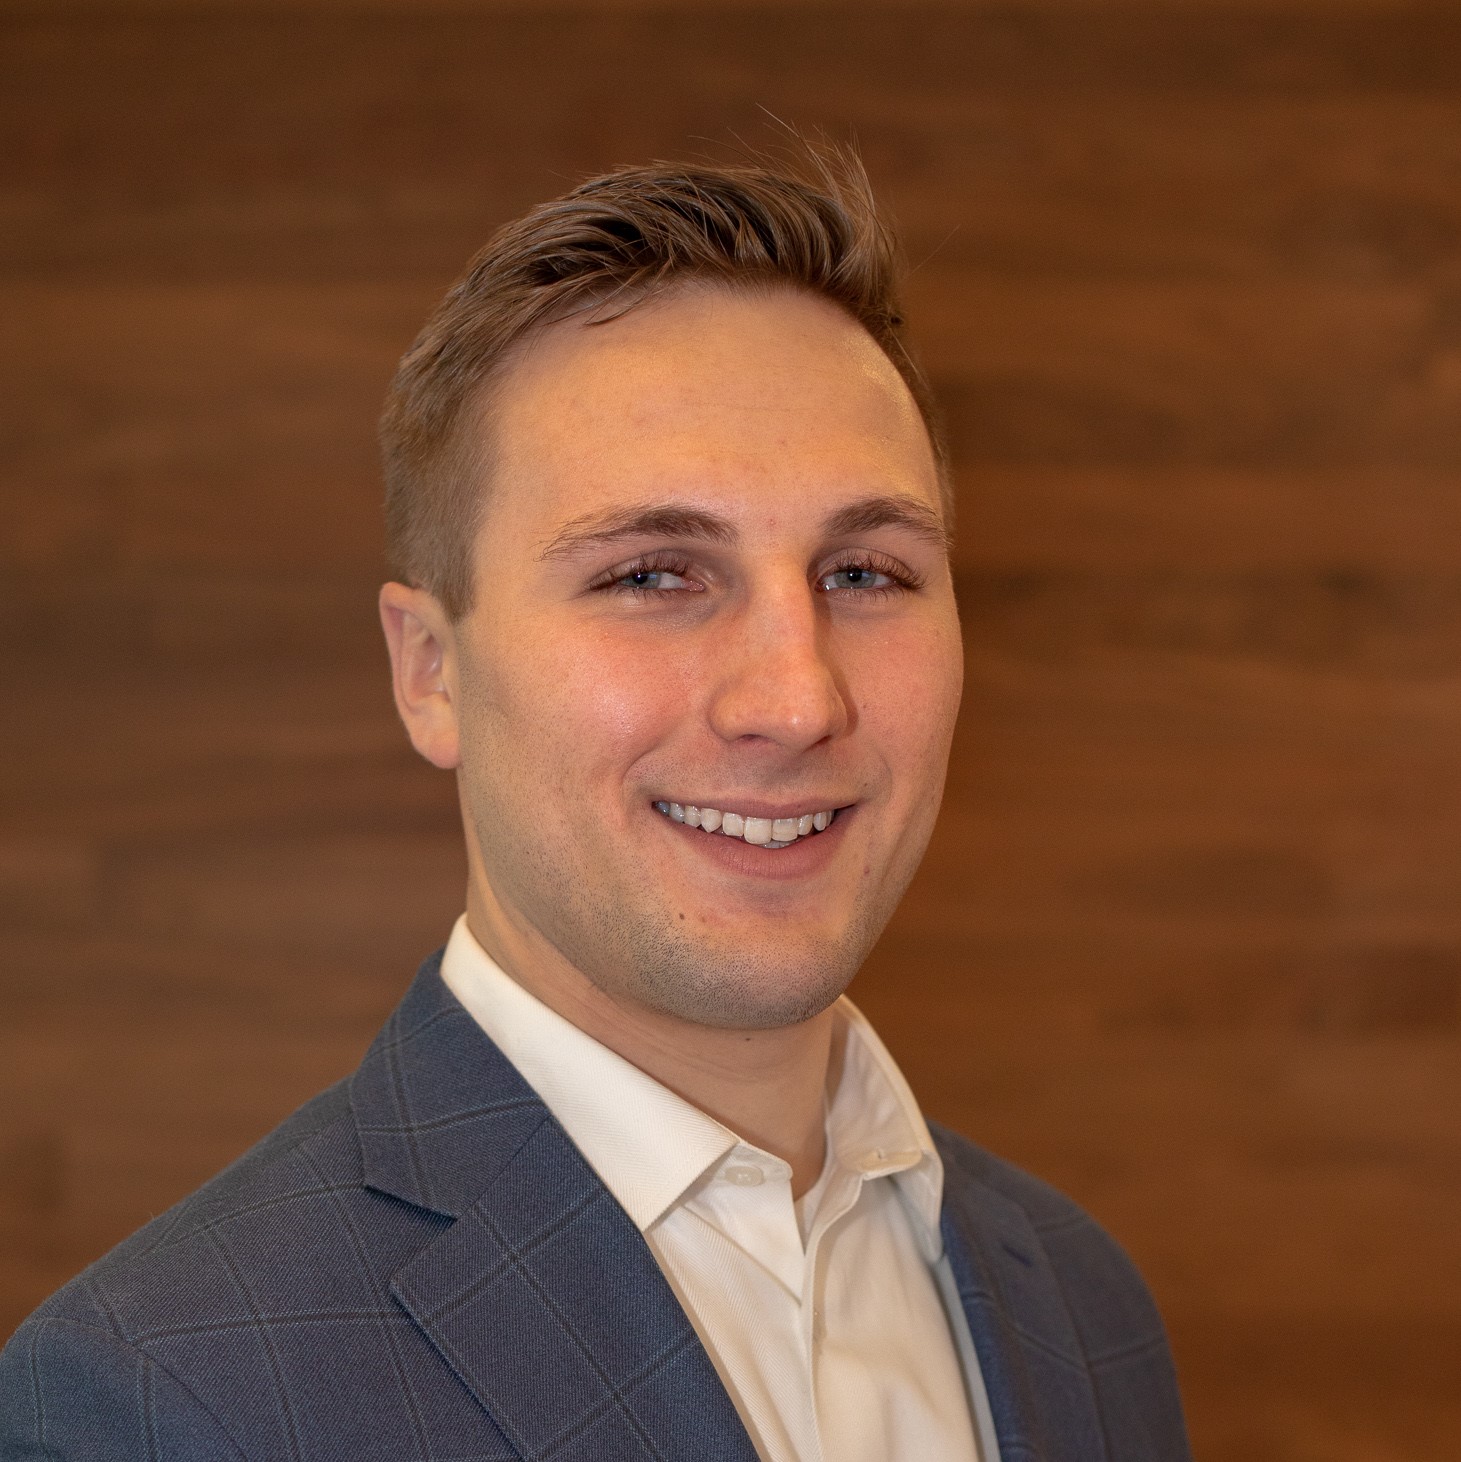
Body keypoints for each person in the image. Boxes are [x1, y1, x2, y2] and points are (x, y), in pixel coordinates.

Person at [0, 152, 1191, 1462]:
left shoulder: (1081, 1308)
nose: (796, 699)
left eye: (864, 571)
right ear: (431, 671)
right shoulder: (156, 1396)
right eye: (651, 574)